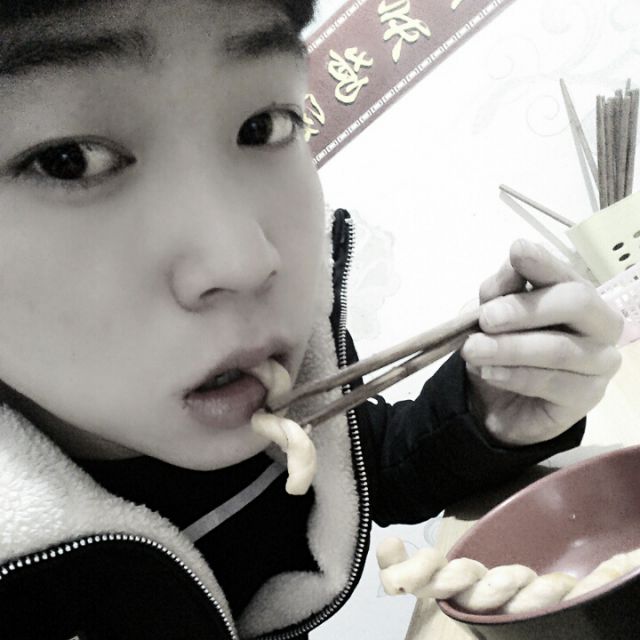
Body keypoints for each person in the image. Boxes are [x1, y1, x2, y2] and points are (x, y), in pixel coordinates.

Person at [0, 1, 623, 639]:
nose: (246, 260)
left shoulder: (258, 377)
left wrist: (489, 415)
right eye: (69, 160)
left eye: (263, 125)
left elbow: (361, 465)